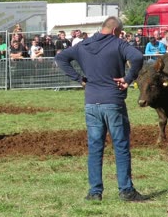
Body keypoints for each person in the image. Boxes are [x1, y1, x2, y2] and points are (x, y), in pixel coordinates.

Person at [55, 16, 145, 202]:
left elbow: (60, 57)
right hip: (112, 101)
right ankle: (126, 191)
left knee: (95, 147)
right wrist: (128, 79)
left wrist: (79, 79)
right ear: (115, 31)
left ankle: (95, 192)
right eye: (120, 32)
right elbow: (137, 57)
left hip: (91, 102)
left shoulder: (83, 45)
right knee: (120, 145)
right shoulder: (118, 43)